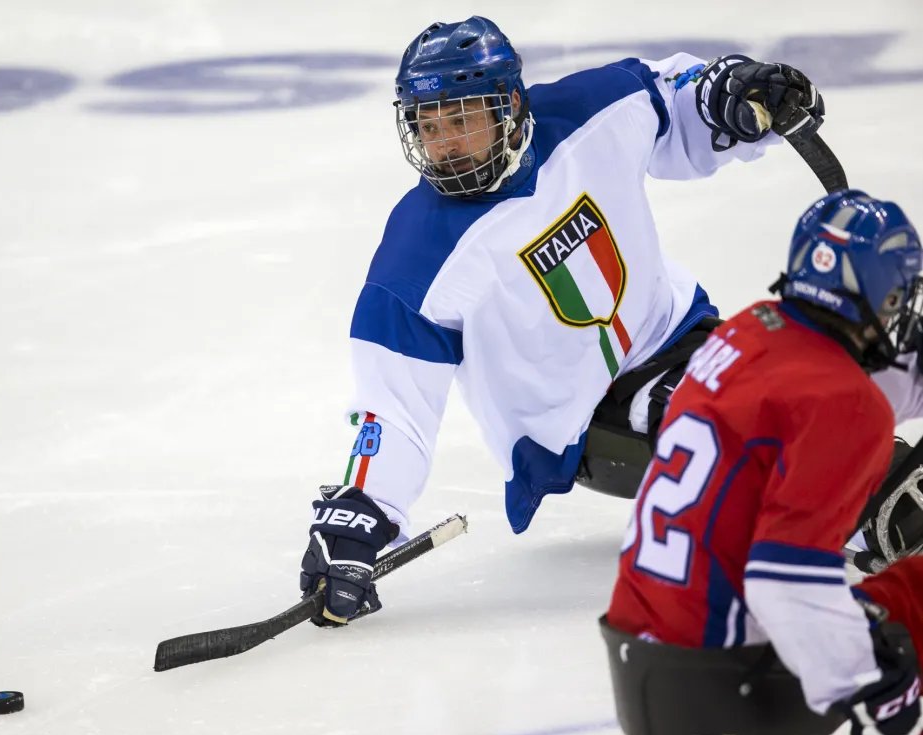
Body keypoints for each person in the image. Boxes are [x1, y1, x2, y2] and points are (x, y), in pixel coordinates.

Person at [297, 15, 830, 626]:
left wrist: (733, 97)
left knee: (808, 386)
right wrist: (362, 516)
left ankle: (869, 481)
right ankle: (875, 510)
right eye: (428, 124)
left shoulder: (591, 111)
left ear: (511, 108)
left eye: (462, 120)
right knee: (751, 428)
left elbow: (676, 97)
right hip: (583, 421)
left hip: (676, 334)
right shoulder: (416, 258)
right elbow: (393, 408)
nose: (442, 143)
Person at [604, 189, 923, 735]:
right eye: (898, 298)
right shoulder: (850, 406)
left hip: (645, 658)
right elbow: (785, 581)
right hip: (729, 687)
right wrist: (871, 686)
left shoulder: (750, 330)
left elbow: (829, 381)